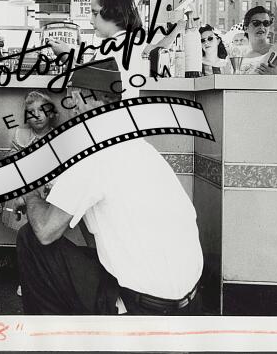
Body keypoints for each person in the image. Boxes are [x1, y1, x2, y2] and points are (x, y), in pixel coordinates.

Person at [16, 58, 203, 315]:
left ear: (78, 99)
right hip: (189, 302)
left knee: (31, 238)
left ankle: (49, 334)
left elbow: (46, 231)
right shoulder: (138, 145)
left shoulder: (91, 151)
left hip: (144, 307)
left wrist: (29, 193)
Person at [48, 0, 182, 99]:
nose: (91, 20)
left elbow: (86, 87)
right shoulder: (132, 42)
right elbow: (160, 48)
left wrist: (66, 56)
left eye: (95, 13)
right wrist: (179, 28)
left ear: (112, 12)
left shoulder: (113, 46)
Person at [2, 91, 60, 296]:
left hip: (48, 193)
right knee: (26, 238)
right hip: (25, 191)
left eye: (42, 110)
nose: (36, 115)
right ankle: (25, 279)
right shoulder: (21, 135)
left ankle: (45, 279)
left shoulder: (58, 136)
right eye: (31, 112)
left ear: (51, 113)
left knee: (46, 238)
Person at [236, 6, 277, 75]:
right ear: (246, 28)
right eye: (256, 23)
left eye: (266, 23)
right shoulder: (238, 59)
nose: (261, 27)